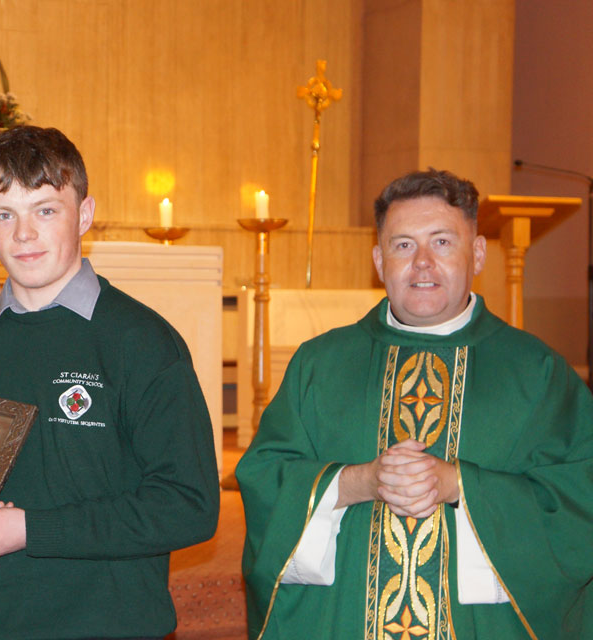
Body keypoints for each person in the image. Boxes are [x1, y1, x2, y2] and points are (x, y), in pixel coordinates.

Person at [237, 168, 593, 639]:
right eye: (403, 245)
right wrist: (359, 481)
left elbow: (577, 500)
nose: (422, 262)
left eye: (442, 242)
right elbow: (265, 479)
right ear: (379, 261)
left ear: (478, 253)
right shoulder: (320, 365)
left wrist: (461, 486)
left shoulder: (537, 373)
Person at [0, 125, 220, 639]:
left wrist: (33, 530)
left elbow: (189, 506)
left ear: (86, 214)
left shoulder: (140, 342)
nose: (23, 234)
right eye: (5, 215)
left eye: (46, 210)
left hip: (109, 625)